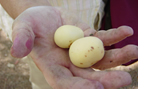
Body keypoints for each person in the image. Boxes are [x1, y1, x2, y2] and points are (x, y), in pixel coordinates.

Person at [0, 0, 138, 89]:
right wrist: (29, 6)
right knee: (46, 79)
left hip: (91, 13)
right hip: (42, 34)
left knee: (83, 77)